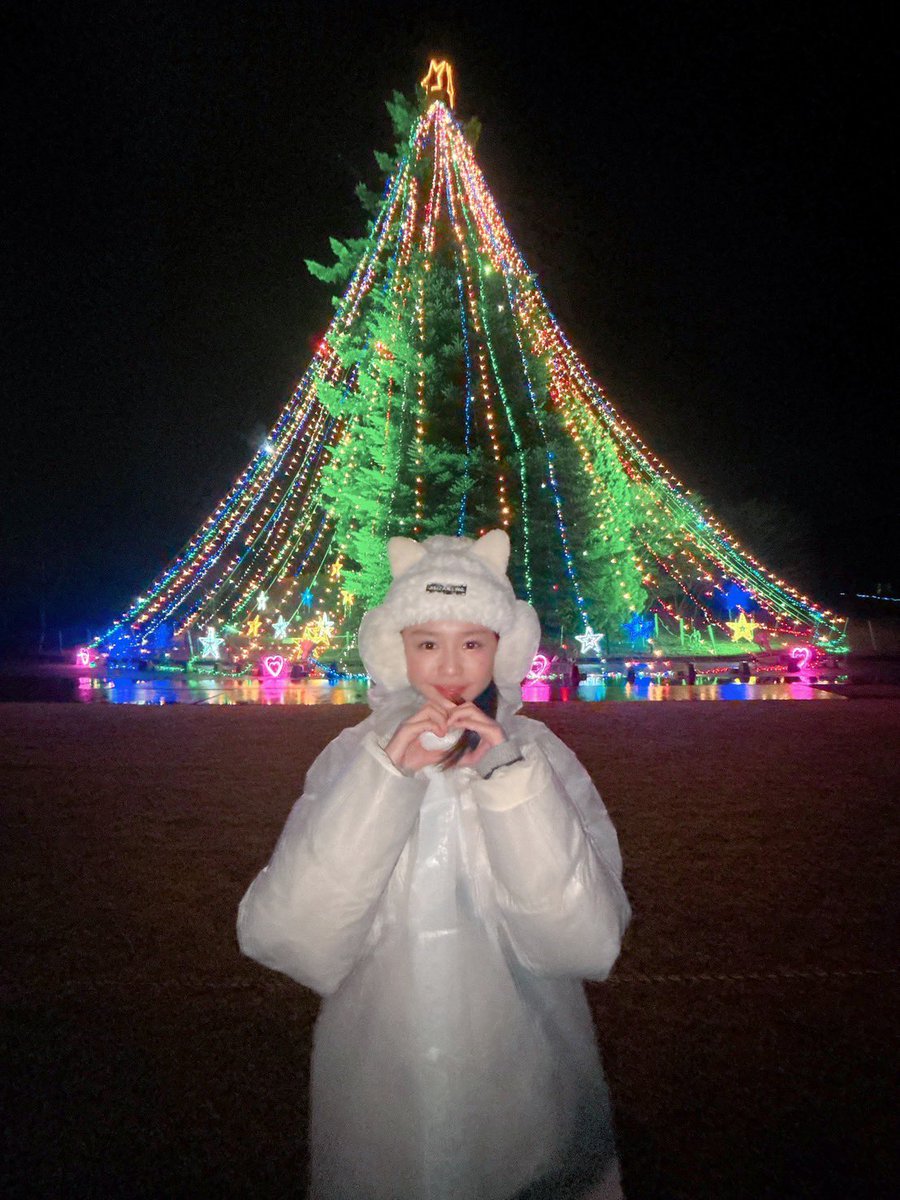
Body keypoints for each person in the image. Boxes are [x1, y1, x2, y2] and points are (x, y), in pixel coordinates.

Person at [237, 530, 631, 1199]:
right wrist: (384, 781)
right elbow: (289, 938)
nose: (451, 666)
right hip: (380, 1094)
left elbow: (586, 943)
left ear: (503, 647)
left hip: (526, 1089)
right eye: (427, 642)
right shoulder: (353, 756)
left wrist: (510, 782)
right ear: (396, 647)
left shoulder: (540, 757)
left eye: (472, 642)